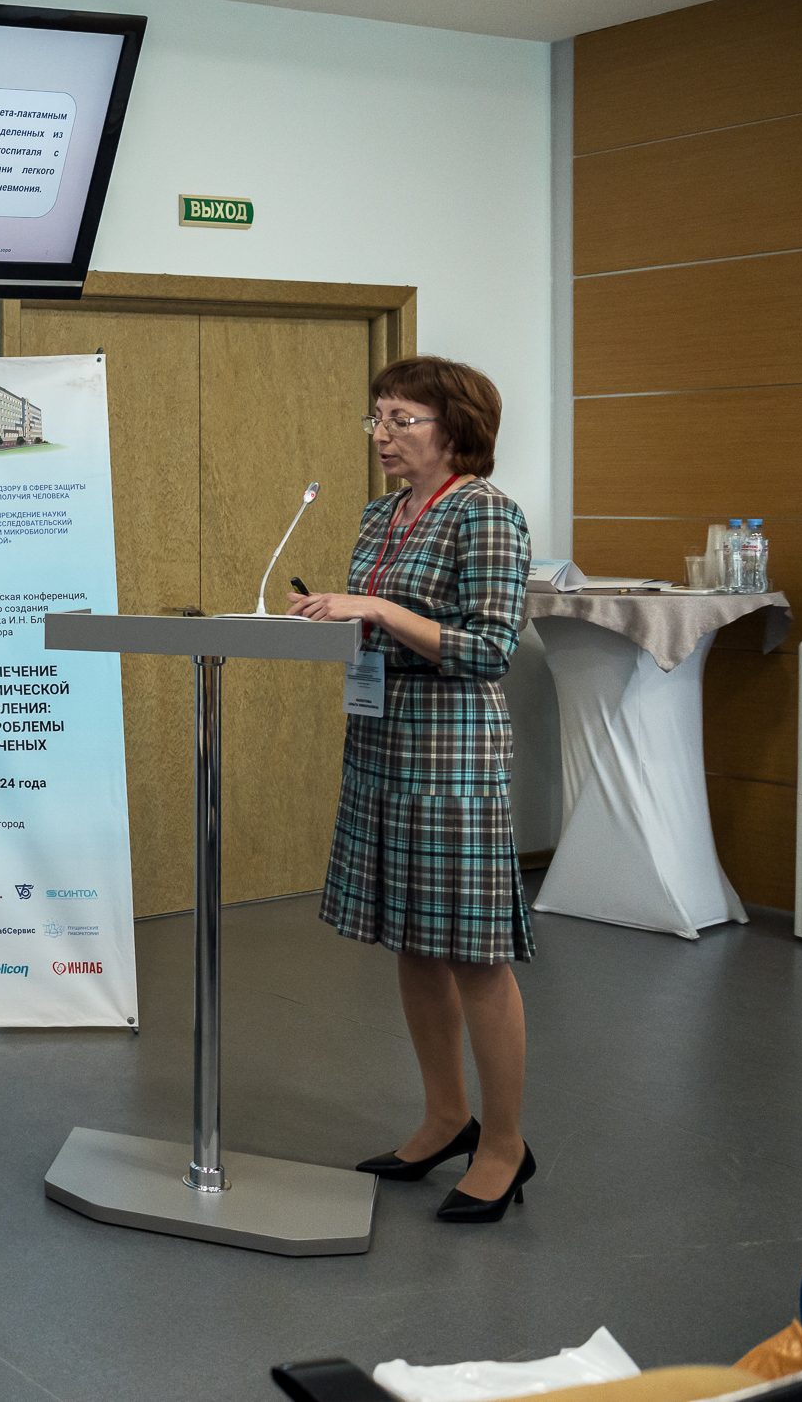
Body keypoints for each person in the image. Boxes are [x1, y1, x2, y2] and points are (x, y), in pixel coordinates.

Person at [288, 357, 534, 1223]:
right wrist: (330, 618)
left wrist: (377, 610)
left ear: (455, 428)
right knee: (415, 941)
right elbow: (377, 624)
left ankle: (505, 1144)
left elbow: (491, 648)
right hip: (382, 742)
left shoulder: (486, 512)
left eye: (402, 419)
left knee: (472, 953)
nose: (383, 435)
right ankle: (444, 1116)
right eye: (378, 418)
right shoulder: (379, 512)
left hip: (452, 756)